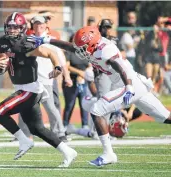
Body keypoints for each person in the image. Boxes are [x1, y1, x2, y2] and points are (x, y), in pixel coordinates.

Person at [29, 26, 171, 167]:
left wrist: (128, 87)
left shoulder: (105, 50)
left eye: (83, 47)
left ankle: (108, 153)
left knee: (97, 109)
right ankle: (108, 153)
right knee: (165, 117)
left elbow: (118, 66)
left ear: (91, 44)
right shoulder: (93, 46)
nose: (80, 50)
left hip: (128, 84)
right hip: (134, 84)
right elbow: (71, 47)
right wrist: (46, 39)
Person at [0, 12, 77, 167]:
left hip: (31, 90)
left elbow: (51, 52)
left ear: (22, 28)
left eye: (15, 27)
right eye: (9, 27)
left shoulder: (26, 43)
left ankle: (24, 141)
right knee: (36, 128)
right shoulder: (2, 42)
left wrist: (58, 67)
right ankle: (68, 151)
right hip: (22, 89)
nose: (12, 30)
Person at [18, 16, 71, 142]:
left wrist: (66, 76)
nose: (38, 26)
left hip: (46, 78)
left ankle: (59, 133)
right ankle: (24, 134)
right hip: (30, 79)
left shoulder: (51, 40)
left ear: (46, 25)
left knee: (51, 107)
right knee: (23, 106)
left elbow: (62, 60)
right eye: (36, 23)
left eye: (41, 23)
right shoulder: (27, 39)